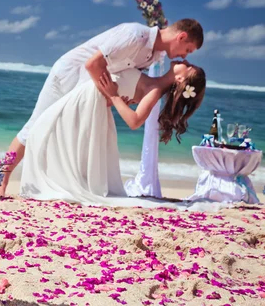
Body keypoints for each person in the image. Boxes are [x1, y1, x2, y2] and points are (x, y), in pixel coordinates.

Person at [0, 19, 204, 197]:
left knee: (56, 134)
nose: (185, 57)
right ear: (181, 36)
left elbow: (125, 80)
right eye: (188, 49)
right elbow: (92, 65)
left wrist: (119, 97)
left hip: (88, 91)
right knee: (34, 127)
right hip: (70, 75)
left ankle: (48, 180)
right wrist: (112, 96)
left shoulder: (155, 56)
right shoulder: (135, 35)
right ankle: (1, 181)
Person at [19, 61, 206, 207]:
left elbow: (135, 121)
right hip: (87, 100)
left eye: (188, 67)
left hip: (88, 101)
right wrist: (113, 98)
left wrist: (114, 96)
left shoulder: (154, 90)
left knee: (43, 131)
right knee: (44, 131)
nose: (185, 61)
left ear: (180, 79)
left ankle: (56, 182)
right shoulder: (153, 80)